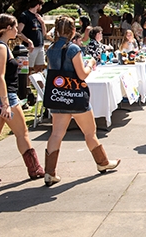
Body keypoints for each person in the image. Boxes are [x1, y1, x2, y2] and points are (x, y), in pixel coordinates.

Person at [44, 15, 120, 186]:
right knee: (89, 132)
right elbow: (82, 74)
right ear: (73, 31)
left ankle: (49, 172)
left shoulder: (51, 48)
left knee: (56, 134)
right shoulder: (73, 49)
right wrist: (91, 62)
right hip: (76, 95)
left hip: (59, 95)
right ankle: (102, 162)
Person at [0, 14, 45, 187]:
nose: (17, 29)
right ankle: (35, 169)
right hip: (4, 97)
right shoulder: (0, 48)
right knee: (22, 133)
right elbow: (0, 77)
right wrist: (5, 103)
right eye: (15, 27)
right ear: (7, 28)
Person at [17, 0, 47, 74]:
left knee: (40, 67)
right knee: (28, 69)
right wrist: (28, 41)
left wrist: (42, 23)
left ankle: (38, 85)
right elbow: (18, 31)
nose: (41, 7)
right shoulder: (25, 15)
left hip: (40, 45)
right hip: (30, 48)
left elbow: (44, 33)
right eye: (41, 5)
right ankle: (26, 85)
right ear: (37, 5)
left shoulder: (39, 16)